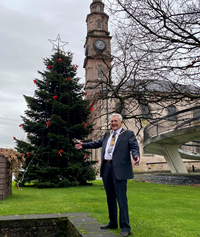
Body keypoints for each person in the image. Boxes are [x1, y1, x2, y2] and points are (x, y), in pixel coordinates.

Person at [75, 113, 140, 237]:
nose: (113, 123)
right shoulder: (107, 134)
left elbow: (134, 147)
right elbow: (97, 143)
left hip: (119, 170)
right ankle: (113, 222)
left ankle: (125, 227)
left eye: (115, 121)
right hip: (107, 168)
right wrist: (83, 145)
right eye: (111, 122)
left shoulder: (128, 134)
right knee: (110, 198)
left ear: (121, 122)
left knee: (121, 200)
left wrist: (136, 156)